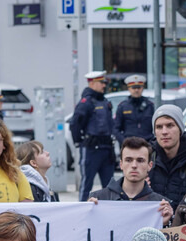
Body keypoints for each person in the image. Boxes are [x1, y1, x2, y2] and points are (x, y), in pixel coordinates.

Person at [90, 137, 173, 226]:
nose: (134, 165)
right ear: (121, 164)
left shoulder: (160, 205)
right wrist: (87, 214)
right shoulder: (98, 199)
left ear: (150, 165)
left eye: (140, 160)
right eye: (128, 160)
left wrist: (166, 224)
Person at [70, 70, 115, 201]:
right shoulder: (86, 102)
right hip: (91, 149)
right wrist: (79, 141)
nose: (104, 85)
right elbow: (75, 124)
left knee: (110, 186)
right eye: (101, 83)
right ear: (92, 83)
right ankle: (82, 211)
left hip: (106, 148)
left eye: (104, 82)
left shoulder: (105, 101)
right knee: (87, 183)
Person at [150, 105, 186, 210]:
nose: (164, 132)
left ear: (180, 129)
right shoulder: (146, 159)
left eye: (170, 125)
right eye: (159, 127)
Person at [114, 74, 155, 144]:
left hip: (147, 144)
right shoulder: (123, 106)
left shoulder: (149, 105)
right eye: (133, 88)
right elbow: (116, 129)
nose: (136, 90)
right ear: (129, 88)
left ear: (142, 88)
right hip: (129, 144)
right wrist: (124, 142)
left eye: (139, 88)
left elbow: (155, 127)